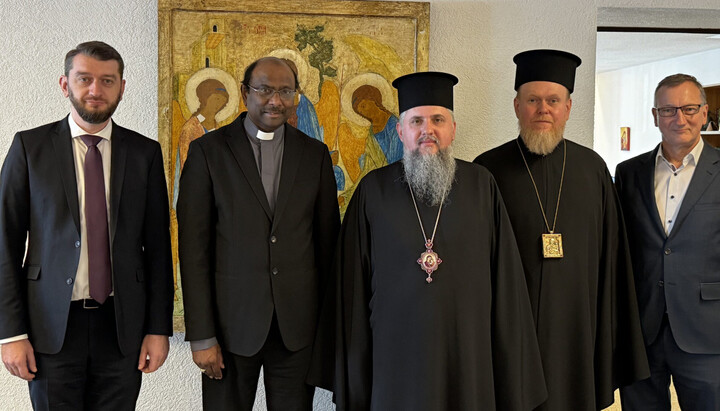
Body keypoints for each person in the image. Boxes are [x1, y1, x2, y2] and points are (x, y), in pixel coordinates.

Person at [319, 71, 547, 410]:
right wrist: (353, 368)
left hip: (467, 353)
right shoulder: (372, 190)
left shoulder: (481, 185)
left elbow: (506, 284)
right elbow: (351, 289)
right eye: (417, 121)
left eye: (438, 119)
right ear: (400, 131)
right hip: (393, 355)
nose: (428, 130)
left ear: (452, 129)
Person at [0, 41, 173, 410]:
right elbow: (4, 243)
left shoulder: (145, 153)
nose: (96, 90)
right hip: (51, 329)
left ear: (122, 87)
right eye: (85, 79)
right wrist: (10, 333)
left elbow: (158, 247)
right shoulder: (30, 148)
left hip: (122, 326)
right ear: (65, 85)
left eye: (107, 80)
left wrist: (158, 328)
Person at [473, 49, 649, 411]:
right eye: (533, 100)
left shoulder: (592, 169)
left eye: (553, 100)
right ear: (517, 106)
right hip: (509, 328)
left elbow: (612, 259)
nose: (543, 110)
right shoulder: (487, 170)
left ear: (568, 107)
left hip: (577, 328)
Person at [177, 56, 340, 410]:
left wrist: (328, 332)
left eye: (285, 91)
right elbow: (193, 250)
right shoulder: (208, 152)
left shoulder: (315, 155)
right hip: (229, 330)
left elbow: (328, 247)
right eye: (265, 89)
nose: (275, 100)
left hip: (296, 331)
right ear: (244, 92)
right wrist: (202, 335)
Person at [616, 73, 720, 411]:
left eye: (689, 108)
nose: (680, 118)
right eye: (668, 110)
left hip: (707, 330)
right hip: (641, 329)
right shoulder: (629, 172)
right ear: (655, 116)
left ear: (704, 113)